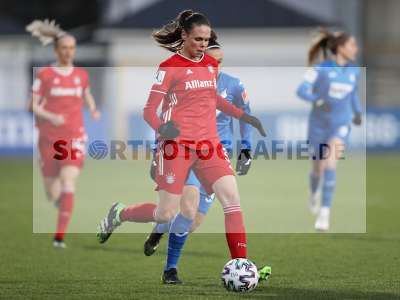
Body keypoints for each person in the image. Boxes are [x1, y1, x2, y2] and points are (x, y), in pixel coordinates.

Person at [97, 10, 266, 283]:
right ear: (185, 36)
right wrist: (162, 129)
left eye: (206, 39)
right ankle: (121, 213)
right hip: (177, 148)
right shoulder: (169, 67)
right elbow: (149, 110)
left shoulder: (209, 66)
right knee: (169, 213)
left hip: (208, 146)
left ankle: (240, 264)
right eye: (198, 39)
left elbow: (213, 99)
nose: (202, 44)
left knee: (232, 201)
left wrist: (243, 116)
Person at [143, 36, 270, 284]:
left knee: (193, 222)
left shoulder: (232, 85)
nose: (217, 65)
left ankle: (160, 229)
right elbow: (162, 115)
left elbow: (246, 115)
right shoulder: (184, 78)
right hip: (186, 151)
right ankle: (170, 269)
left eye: (220, 61)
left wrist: (246, 149)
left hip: (215, 155)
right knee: (187, 209)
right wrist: (160, 150)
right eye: (213, 59)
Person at [27, 20, 101, 248]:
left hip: (74, 136)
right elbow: (32, 105)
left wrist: (92, 108)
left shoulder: (80, 75)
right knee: (52, 193)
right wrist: (50, 117)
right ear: (56, 50)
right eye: (64, 48)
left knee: (69, 181)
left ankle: (59, 236)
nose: (68, 52)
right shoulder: (45, 75)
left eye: (72, 48)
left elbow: (86, 93)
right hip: (48, 139)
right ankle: (64, 205)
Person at [297, 28, 362, 231]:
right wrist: (318, 101)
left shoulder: (354, 70)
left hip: (340, 124)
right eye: (352, 45)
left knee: (330, 163)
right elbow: (301, 90)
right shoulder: (320, 68)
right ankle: (314, 192)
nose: (356, 49)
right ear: (340, 48)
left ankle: (324, 214)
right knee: (317, 167)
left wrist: (357, 112)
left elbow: (353, 94)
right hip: (318, 126)